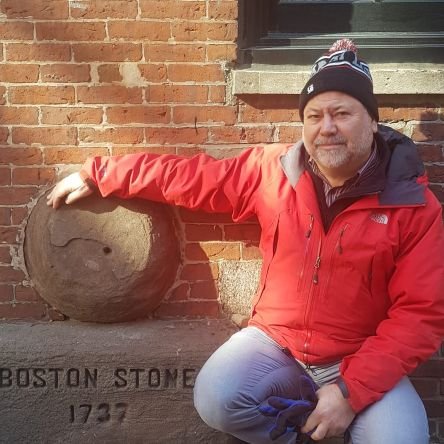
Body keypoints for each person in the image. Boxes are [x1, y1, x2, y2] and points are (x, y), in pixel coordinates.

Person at [47, 39, 444, 444]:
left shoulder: (412, 203)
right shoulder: (273, 173)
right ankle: (302, 433)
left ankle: (331, 409)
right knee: (216, 398)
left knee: (401, 439)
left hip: (361, 355)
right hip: (277, 343)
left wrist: (349, 393)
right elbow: (193, 179)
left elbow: (420, 315)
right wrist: (101, 174)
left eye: (342, 113)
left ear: (373, 122)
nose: (327, 128)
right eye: (314, 115)